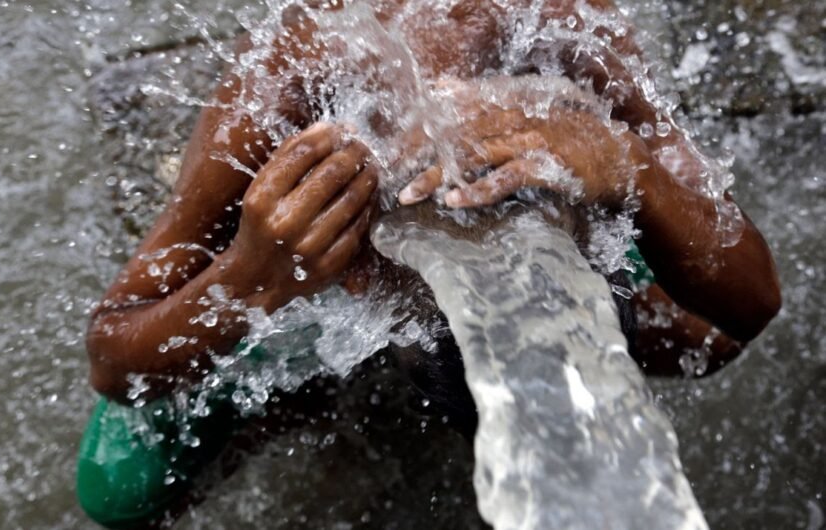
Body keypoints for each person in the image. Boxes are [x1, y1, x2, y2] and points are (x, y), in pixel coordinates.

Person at [77, 0, 781, 527]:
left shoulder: (572, 47)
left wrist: (625, 163)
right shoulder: (293, 78)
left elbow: (750, 301)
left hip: (525, 213)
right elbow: (113, 357)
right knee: (118, 489)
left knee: (699, 334)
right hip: (293, 272)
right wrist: (252, 275)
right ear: (366, 275)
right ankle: (307, 390)